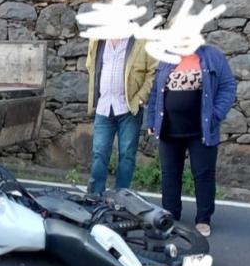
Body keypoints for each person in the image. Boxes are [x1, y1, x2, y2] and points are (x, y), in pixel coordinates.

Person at [146, 44, 236, 237]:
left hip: (201, 130)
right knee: (170, 174)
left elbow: (228, 87)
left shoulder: (212, 56)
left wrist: (215, 115)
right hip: (169, 128)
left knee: (203, 175)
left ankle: (203, 219)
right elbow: (156, 91)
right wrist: (152, 119)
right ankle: (171, 217)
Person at [85, 37, 157, 194]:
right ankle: (95, 196)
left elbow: (152, 71)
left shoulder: (142, 41)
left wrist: (140, 98)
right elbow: (91, 66)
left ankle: (121, 197)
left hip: (128, 108)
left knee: (127, 156)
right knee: (99, 154)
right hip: (104, 107)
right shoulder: (97, 40)